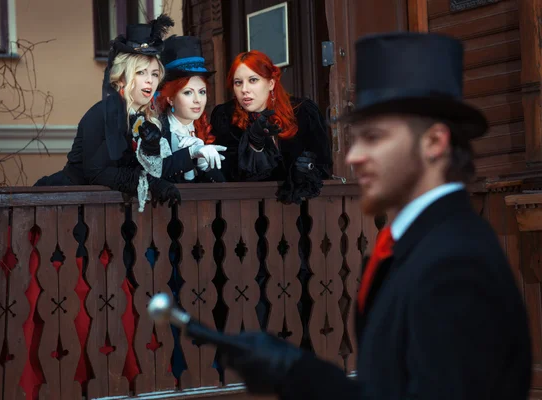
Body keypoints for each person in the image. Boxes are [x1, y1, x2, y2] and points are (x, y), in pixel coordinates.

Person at [210, 32, 532, 399]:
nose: (353, 156)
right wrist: (295, 370)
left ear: (434, 142)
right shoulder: (411, 241)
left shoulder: (456, 264)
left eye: (374, 137)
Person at [34, 15, 180, 209]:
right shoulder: (102, 114)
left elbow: (155, 171)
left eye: (154, 74)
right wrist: (150, 184)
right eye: (140, 72)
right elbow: (97, 172)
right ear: (121, 79)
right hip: (69, 205)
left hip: (111, 211)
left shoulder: (152, 119)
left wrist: (152, 149)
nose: (150, 81)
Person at [210, 50, 332, 204]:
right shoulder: (225, 116)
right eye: (238, 82)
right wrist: (254, 145)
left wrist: (304, 173)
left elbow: (324, 166)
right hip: (243, 210)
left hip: (297, 211)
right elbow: (227, 174)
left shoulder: (303, 112)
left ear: (271, 83)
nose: (244, 89)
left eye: (253, 80)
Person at [155, 35, 227, 183]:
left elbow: (221, 186)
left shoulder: (204, 127)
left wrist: (205, 167)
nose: (197, 100)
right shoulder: (157, 128)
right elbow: (155, 174)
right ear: (170, 98)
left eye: (202, 92)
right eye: (188, 92)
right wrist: (188, 155)